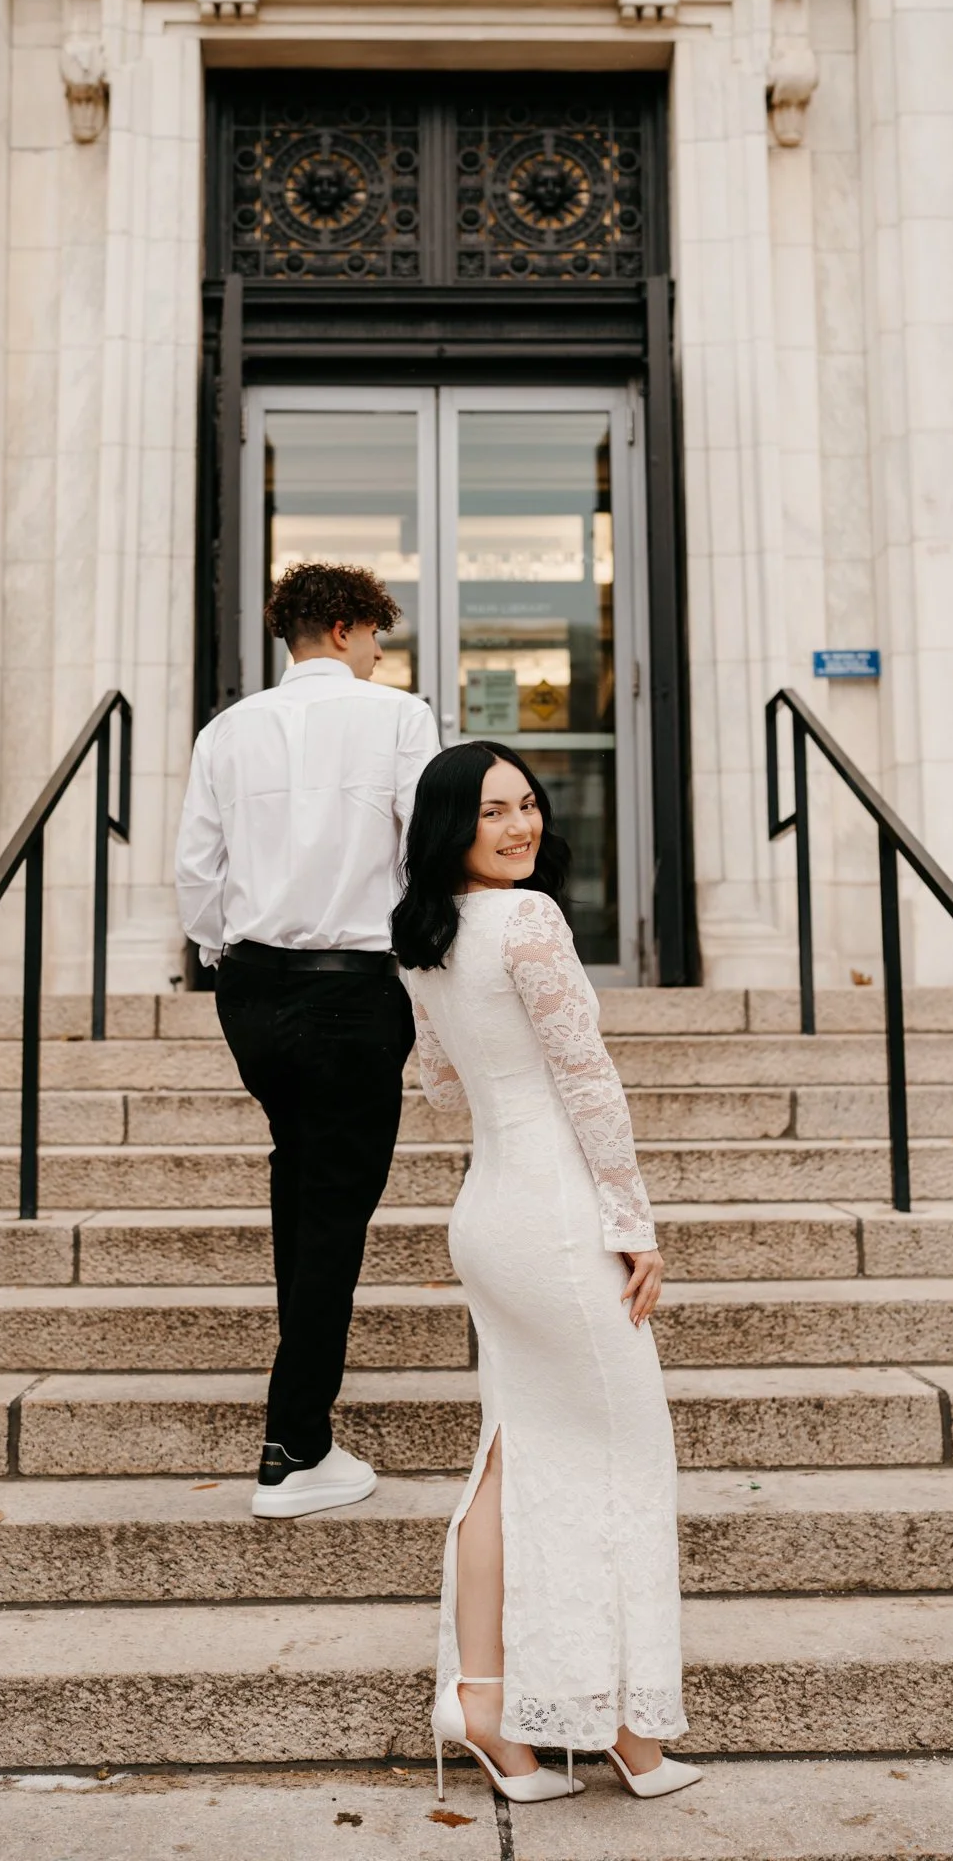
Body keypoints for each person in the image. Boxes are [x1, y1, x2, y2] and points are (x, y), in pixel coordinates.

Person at [392, 742, 697, 1806]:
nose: (520, 825)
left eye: (529, 803)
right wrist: (632, 1219)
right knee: (621, 1452)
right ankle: (618, 1722)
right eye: (493, 811)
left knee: (516, 1454)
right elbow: (587, 1077)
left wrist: (490, 1066)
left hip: (490, 1209)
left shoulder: (424, 936)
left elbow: (433, 1085)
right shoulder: (526, 922)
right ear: (451, 827)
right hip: (560, 1214)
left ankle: (486, 1700)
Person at [176, 562, 440, 1520]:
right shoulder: (398, 717)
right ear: (342, 627)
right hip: (349, 990)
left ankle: (301, 1422)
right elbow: (425, 849)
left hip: (251, 990)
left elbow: (195, 869)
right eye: (374, 632)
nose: (378, 650)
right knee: (333, 1205)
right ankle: (295, 1446)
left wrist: (225, 959)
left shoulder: (227, 729)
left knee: (304, 1180)